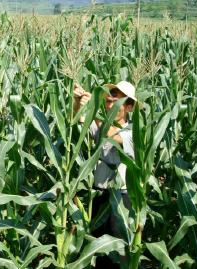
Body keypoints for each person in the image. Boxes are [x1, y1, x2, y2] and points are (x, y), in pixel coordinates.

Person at [74, 81, 137, 267]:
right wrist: (78, 103)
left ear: (129, 106)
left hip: (122, 200)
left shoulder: (134, 131)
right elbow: (75, 120)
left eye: (116, 102)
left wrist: (93, 110)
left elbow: (112, 136)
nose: (110, 105)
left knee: (119, 252)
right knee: (98, 250)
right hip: (99, 196)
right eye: (108, 101)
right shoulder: (100, 122)